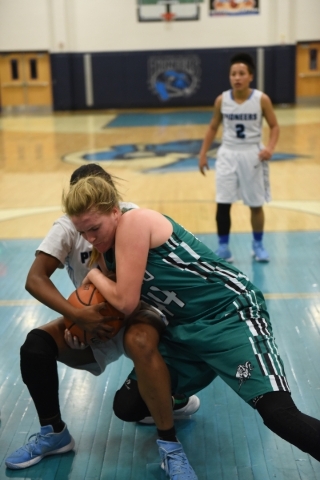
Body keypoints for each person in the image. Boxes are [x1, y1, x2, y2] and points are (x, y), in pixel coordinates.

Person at [61, 175, 320, 479]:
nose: (90, 238)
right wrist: (80, 328)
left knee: (278, 413)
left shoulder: (135, 222)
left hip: (229, 314)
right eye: (82, 232)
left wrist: (91, 277)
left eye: (95, 228)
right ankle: (179, 396)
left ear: (115, 211)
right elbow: (112, 312)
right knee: (128, 406)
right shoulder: (107, 255)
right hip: (184, 330)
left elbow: (126, 302)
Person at [5, 164, 200, 472]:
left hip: (137, 313)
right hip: (93, 319)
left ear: (110, 203)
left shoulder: (133, 217)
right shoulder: (68, 227)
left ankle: (170, 435)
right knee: (35, 347)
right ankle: (54, 433)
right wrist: (77, 315)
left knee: (128, 404)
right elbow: (35, 279)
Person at [199, 52, 280, 263]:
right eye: (233, 73)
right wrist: (203, 154)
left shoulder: (262, 99)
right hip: (227, 153)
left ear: (250, 76)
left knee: (255, 204)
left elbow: (274, 126)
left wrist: (270, 147)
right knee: (223, 202)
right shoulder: (222, 100)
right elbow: (212, 127)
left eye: (241, 73)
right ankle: (223, 248)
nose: (237, 77)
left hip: (252, 154)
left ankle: (258, 245)